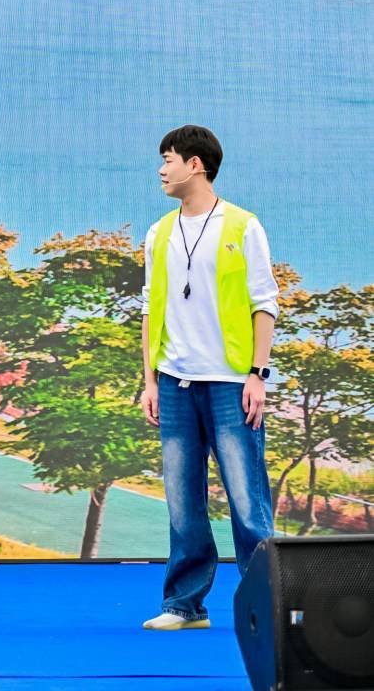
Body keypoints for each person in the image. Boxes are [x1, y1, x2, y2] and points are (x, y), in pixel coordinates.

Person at [140, 125, 278, 631]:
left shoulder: (243, 226)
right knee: (183, 503)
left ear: (195, 164)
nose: (161, 170)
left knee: (247, 503)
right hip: (175, 383)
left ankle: (270, 606)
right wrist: (150, 380)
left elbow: (265, 304)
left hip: (230, 384)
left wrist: (256, 375)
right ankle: (184, 606)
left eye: (168, 159)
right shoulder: (158, 232)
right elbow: (150, 310)